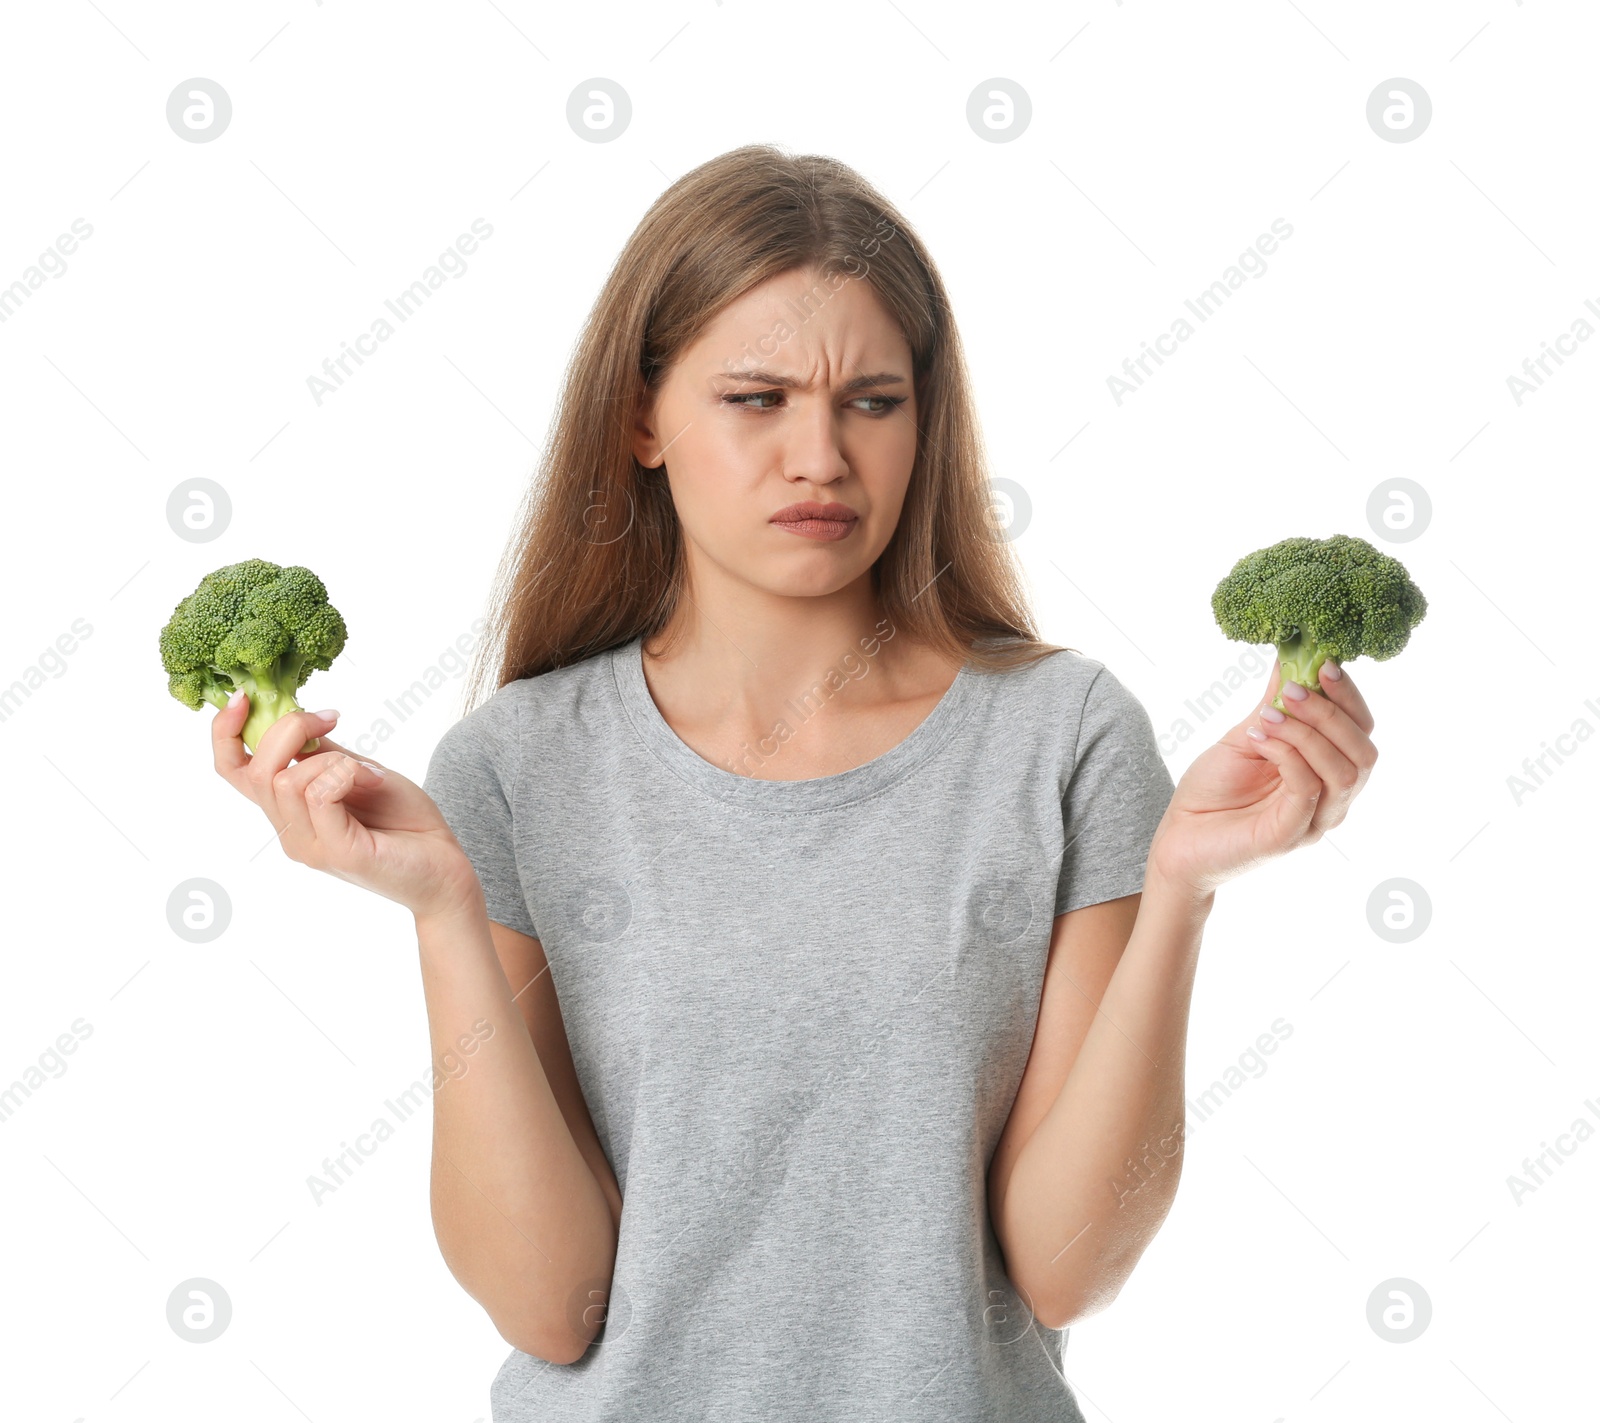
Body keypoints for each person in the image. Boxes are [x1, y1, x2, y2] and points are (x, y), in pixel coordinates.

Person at [208, 144, 1379, 1422]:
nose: (819, 455)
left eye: (872, 401)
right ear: (642, 420)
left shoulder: (1065, 737)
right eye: (756, 398)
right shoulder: (514, 766)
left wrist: (1178, 894)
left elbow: (1062, 1268)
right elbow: (553, 1305)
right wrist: (442, 907)